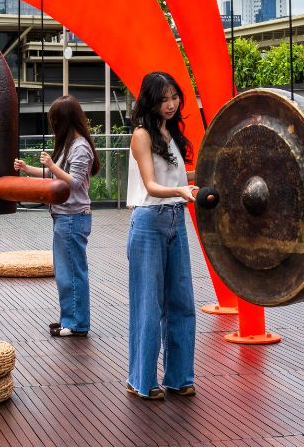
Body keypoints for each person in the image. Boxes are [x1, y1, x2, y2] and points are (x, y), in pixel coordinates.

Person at [125, 71, 198, 400]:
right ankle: (141, 380)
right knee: (148, 304)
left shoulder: (171, 133)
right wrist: (181, 190)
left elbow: (175, 177)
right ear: (150, 102)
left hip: (175, 218)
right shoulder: (141, 135)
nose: (171, 105)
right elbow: (153, 187)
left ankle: (179, 377)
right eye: (163, 99)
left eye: (174, 97)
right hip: (150, 221)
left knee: (182, 303)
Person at [14, 95, 100, 337]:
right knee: (66, 272)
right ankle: (69, 320)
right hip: (65, 216)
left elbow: (72, 182)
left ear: (63, 121)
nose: (52, 126)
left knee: (71, 272)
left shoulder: (80, 146)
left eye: (54, 120)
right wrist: (27, 169)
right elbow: (54, 175)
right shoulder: (70, 144)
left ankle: (76, 323)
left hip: (73, 216)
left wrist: (52, 166)